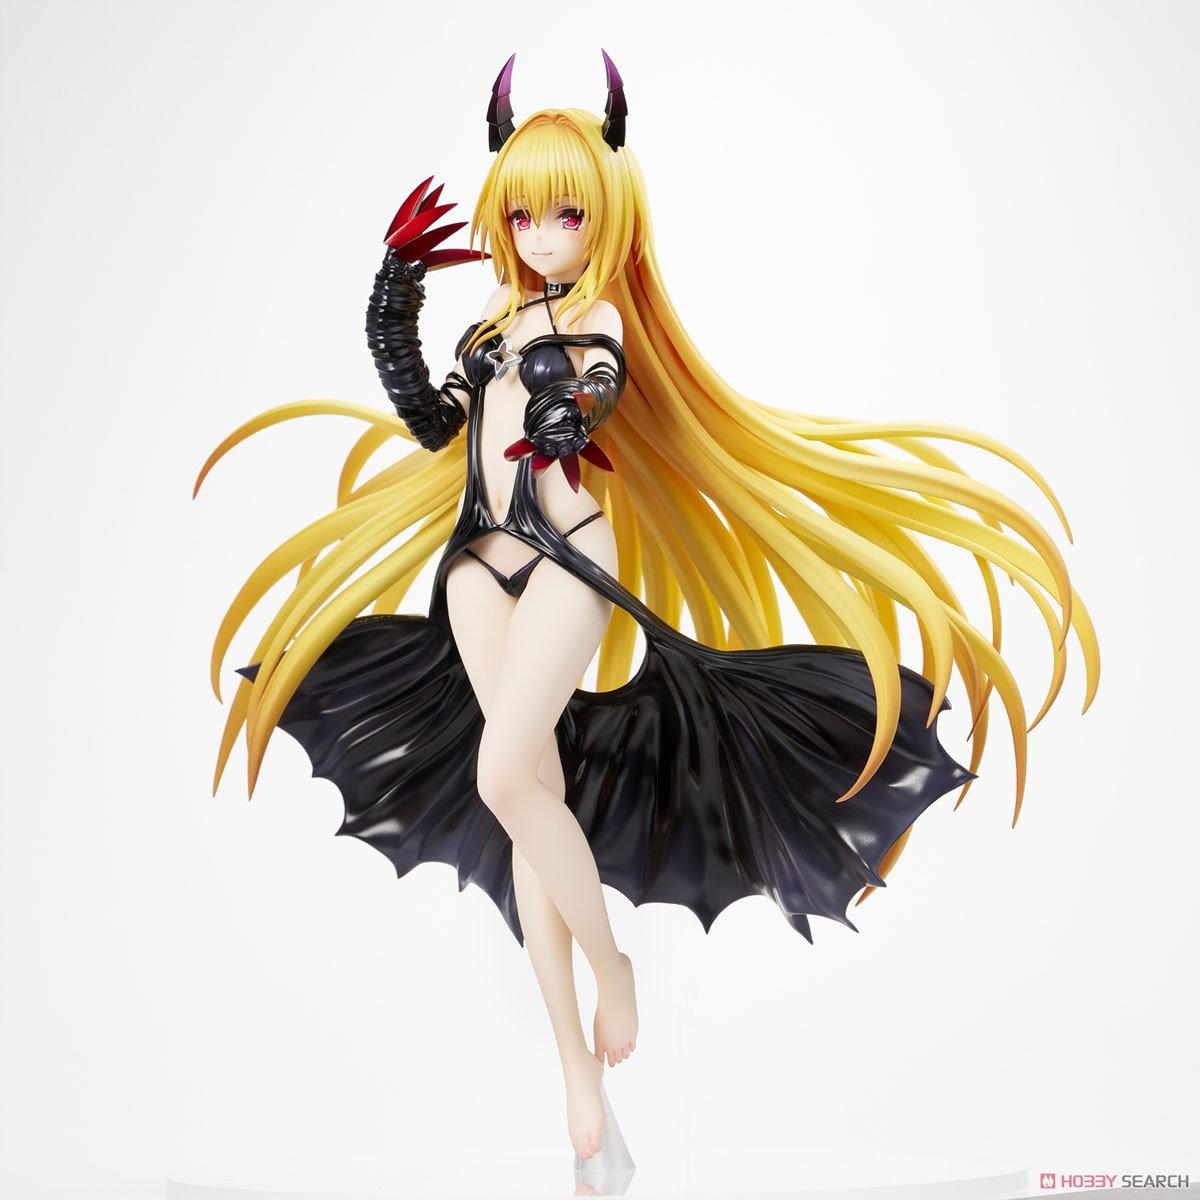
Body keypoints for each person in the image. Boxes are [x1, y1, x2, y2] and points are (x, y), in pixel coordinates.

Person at [195, 50, 1100, 1166]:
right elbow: (439, 428)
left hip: (566, 559)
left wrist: (568, 415)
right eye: (521, 213)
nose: (540, 234)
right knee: (526, 796)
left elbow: (594, 387)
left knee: (502, 776)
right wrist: (393, 301)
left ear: (606, 215)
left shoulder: (601, 320)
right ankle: (580, 1086)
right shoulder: (489, 323)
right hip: (474, 565)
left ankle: (613, 965)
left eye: (566, 213)